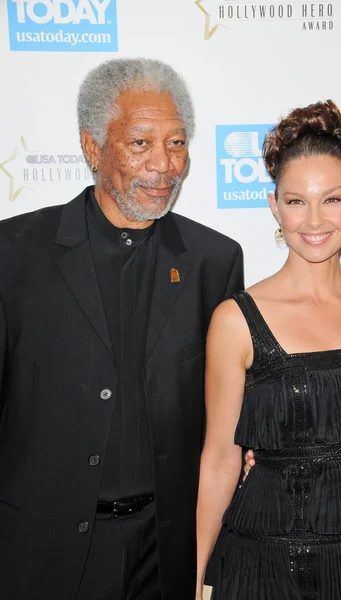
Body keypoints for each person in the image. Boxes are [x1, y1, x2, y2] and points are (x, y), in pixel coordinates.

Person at [0, 58, 244, 600]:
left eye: (177, 143)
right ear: (92, 147)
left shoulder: (214, 262)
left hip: (167, 554)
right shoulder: (12, 256)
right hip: (42, 551)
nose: (165, 164)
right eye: (141, 143)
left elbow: (225, 422)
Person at [196, 100, 341, 599]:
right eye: (295, 201)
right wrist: (198, 578)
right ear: (273, 206)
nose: (314, 219)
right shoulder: (235, 321)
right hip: (265, 561)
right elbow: (220, 459)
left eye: (332, 199)